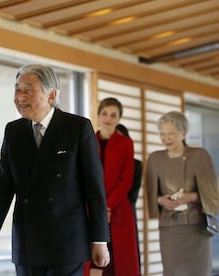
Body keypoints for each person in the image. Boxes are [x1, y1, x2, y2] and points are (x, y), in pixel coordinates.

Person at [0, 64, 110, 276]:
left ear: (51, 96)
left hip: (67, 241)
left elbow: (93, 188)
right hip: (27, 242)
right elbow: (1, 187)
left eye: (28, 90)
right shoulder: (13, 131)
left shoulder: (77, 128)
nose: (20, 97)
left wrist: (99, 239)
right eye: (17, 90)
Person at [146, 111, 219, 276]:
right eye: (162, 134)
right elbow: (150, 194)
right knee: (172, 271)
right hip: (170, 228)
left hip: (197, 227)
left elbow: (213, 193)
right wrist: (161, 200)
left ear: (183, 133)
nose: (166, 138)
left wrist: (190, 197)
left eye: (170, 133)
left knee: (199, 271)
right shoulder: (155, 159)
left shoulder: (200, 156)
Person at [89, 97, 140, 276]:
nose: (108, 118)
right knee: (93, 262)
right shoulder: (88, 140)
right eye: (104, 113)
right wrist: (99, 209)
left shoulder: (126, 143)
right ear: (98, 115)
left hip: (118, 209)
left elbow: (127, 180)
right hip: (91, 208)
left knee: (119, 262)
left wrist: (108, 207)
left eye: (113, 115)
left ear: (119, 118)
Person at [115, 123, 142, 272]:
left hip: (125, 216)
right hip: (102, 217)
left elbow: (132, 197)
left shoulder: (136, 165)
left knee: (128, 261)